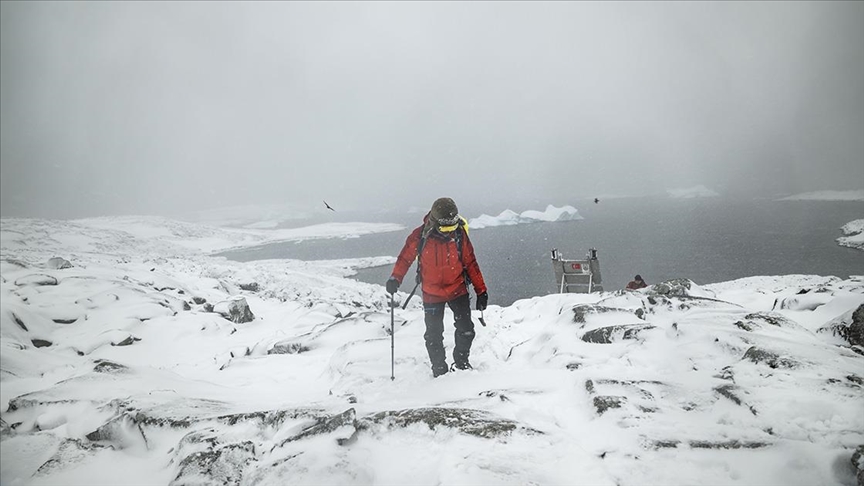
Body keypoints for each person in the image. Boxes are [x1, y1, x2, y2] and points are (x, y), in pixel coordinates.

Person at [386, 197, 488, 377]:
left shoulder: (459, 234)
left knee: (466, 330)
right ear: (434, 222)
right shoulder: (419, 236)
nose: (450, 231)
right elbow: (405, 258)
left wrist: (482, 291)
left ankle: (461, 363)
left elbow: (470, 262)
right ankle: (439, 369)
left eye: (452, 227)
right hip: (432, 293)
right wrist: (395, 278)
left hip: (458, 289)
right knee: (433, 335)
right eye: (445, 228)